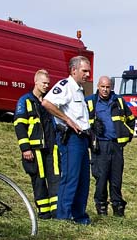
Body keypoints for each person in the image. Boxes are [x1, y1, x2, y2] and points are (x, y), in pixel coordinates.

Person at [42, 56, 92, 225]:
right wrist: (67, 120)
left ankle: (79, 216)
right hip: (71, 139)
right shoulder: (65, 86)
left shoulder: (79, 89)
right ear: (73, 70)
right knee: (71, 178)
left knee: (83, 179)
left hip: (83, 139)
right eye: (84, 71)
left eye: (88, 71)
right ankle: (63, 217)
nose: (88, 74)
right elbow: (47, 103)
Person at [85, 76, 135, 216]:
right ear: (98, 87)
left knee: (116, 179)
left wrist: (127, 136)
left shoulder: (118, 101)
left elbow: (131, 120)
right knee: (101, 178)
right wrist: (91, 130)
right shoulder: (90, 102)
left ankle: (118, 209)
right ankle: (101, 209)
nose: (105, 90)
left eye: (108, 87)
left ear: (111, 87)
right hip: (99, 146)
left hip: (116, 146)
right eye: (103, 87)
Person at [13, 69, 59, 219]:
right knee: (38, 180)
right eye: (44, 83)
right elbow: (19, 125)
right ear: (36, 82)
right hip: (35, 149)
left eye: (48, 83)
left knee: (55, 178)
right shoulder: (25, 101)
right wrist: (25, 148)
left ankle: (56, 212)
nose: (47, 86)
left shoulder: (49, 101)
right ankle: (44, 212)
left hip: (52, 148)